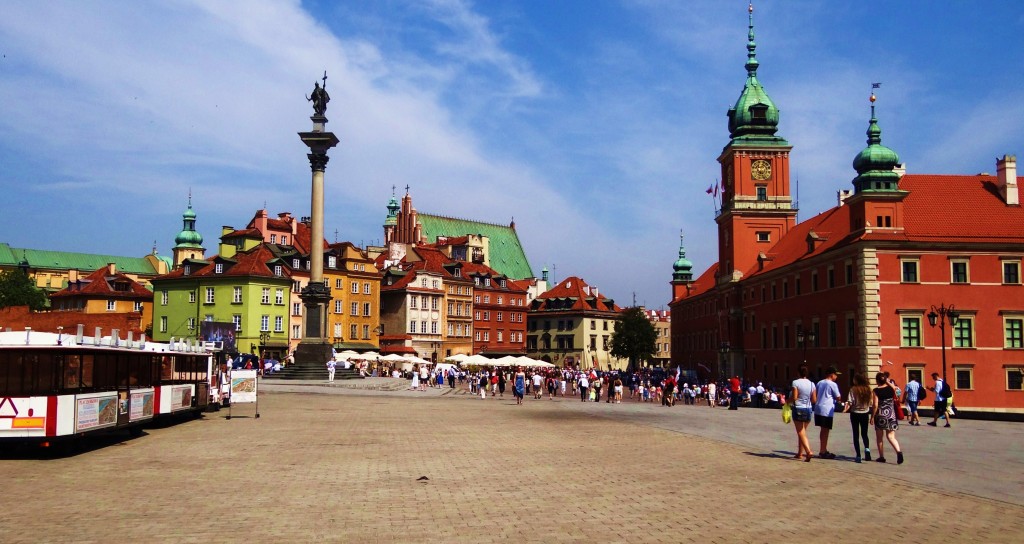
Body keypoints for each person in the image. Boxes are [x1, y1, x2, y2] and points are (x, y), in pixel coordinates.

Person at [870, 372, 904, 464]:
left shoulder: (876, 390)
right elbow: (896, 390)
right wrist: (887, 381)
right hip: (891, 415)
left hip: (880, 415)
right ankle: (898, 452)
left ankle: (881, 456)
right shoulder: (891, 389)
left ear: (877, 381)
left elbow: (875, 405)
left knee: (879, 437)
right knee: (891, 436)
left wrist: (872, 416)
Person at [814, 366, 842, 459]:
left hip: (818, 408)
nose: (836, 377)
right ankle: (823, 451)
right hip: (827, 409)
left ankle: (823, 449)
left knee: (823, 430)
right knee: (826, 430)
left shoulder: (819, 383)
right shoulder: (832, 384)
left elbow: (816, 394)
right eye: (835, 375)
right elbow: (838, 397)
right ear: (831, 375)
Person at [790, 365, 817, 462]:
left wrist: (787, 402)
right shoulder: (812, 384)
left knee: (800, 432)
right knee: (803, 432)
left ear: (798, 373)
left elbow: (794, 397)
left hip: (798, 408)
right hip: (808, 408)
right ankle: (800, 453)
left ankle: (808, 451)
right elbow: (814, 400)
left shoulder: (795, 382)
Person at [844, 373, 873, 463]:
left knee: (856, 434)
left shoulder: (853, 389)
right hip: (865, 413)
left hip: (855, 413)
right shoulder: (868, 389)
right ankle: (867, 450)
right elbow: (871, 402)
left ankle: (858, 455)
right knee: (865, 433)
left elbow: (850, 402)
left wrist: (845, 408)